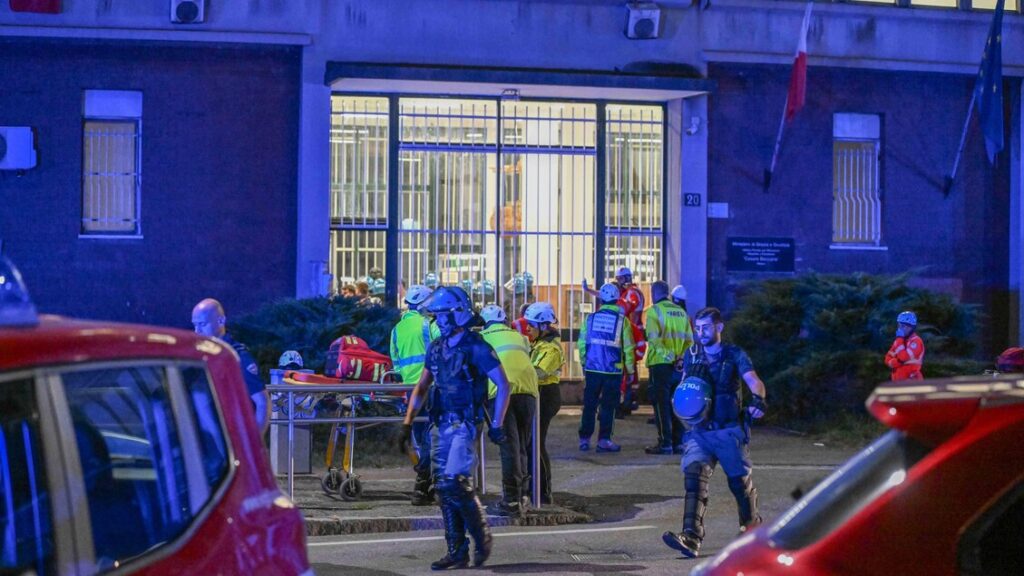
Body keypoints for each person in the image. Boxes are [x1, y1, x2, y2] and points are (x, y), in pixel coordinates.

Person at [398, 286, 511, 571]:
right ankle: (456, 552)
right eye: (436, 315)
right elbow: (422, 386)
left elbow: (503, 384)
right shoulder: (437, 347)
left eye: (442, 315)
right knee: (444, 489)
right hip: (441, 423)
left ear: (458, 313)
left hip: (464, 423)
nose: (438, 320)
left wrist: (497, 424)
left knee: (454, 482)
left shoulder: (476, 346)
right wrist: (407, 424)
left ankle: (481, 536)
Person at [662, 307, 767, 559]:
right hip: (700, 431)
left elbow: (754, 380)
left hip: (728, 430)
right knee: (694, 478)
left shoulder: (734, 354)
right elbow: (684, 386)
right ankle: (691, 536)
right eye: (697, 328)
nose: (701, 333)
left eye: (706, 328)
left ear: (719, 327)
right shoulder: (692, 354)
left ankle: (751, 531)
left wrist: (758, 399)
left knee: (739, 483)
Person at [479, 304, 538, 517]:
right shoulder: (519, 337)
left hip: (500, 392)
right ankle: (524, 495)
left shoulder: (481, 338)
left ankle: (511, 500)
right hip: (528, 391)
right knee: (522, 444)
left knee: (508, 446)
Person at [390, 284, 440, 506]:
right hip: (430, 385)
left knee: (420, 438)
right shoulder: (428, 325)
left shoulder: (396, 329)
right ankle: (426, 482)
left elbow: (396, 362)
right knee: (436, 436)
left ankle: (423, 484)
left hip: (410, 389)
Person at [191, 298, 269, 434]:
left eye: (202, 324)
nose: (197, 331)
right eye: (195, 325)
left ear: (221, 321)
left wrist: (254, 441)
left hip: (232, 437)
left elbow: (263, 402)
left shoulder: (237, 357)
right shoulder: (203, 355)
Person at [577, 282, 636, 453]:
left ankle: (584, 439)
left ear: (601, 300)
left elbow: (582, 343)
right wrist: (630, 371)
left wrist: (584, 362)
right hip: (613, 371)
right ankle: (604, 440)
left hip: (592, 369)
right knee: (608, 407)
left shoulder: (590, 319)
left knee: (589, 405)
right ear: (617, 300)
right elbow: (629, 348)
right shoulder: (623, 321)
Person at [644, 281, 694, 455]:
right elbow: (690, 342)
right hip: (679, 367)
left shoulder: (654, 311)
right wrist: (680, 359)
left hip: (660, 364)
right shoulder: (681, 313)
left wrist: (670, 357)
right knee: (676, 404)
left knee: (661, 405)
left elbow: (654, 340)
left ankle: (665, 443)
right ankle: (678, 442)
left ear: (654, 293)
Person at [523, 301, 563, 505]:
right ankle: (533, 487)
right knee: (531, 442)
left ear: (543, 326)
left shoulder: (551, 349)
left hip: (546, 395)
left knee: (536, 443)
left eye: (531, 325)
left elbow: (538, 374)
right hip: (539, 394)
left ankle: (544, 492)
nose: (527, 328)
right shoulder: (538, 344)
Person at [885, 311, 925, 381]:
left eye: (903, 326)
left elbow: (903, 357)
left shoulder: (916, 341)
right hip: (897, 381)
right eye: (899, 326)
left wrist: (899, 339)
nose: (900, 329)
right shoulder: (898, 341)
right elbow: (887, 359)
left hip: (912, 381)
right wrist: (898, 362)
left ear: (911, 327)